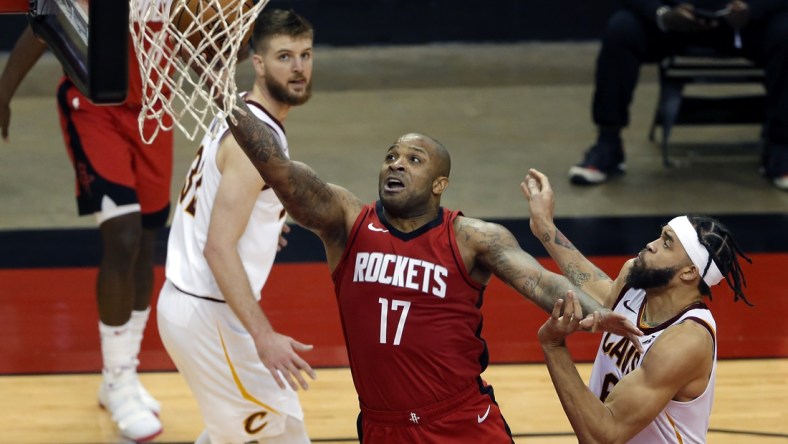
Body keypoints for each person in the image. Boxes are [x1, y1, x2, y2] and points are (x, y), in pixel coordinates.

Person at [213, 88, 645, 439]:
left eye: (413, 160)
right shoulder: (347, 222)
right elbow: (282, 171)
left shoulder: (473, 236)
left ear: (440, 184)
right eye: (391, 157)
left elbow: (539, 281)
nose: (396, 163)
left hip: (461, 422)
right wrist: (225, 95)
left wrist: (595, 313)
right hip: (383, 426)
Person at [0, 9, 172, 443]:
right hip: (94, 107)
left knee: (146, 242)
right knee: (123, 236)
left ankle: (123, 374)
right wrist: (3, 92)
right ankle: (117, 383)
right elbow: (41, 24)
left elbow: (202, 42)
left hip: (155, 111)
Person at [156, 9, 317, 444]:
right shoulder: (255, 142)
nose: (299, 67)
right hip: (209, 315)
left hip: (198, 310)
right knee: (278, 436)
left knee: (271, 431)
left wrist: (263, 221)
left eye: (305, 54)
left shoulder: (244, 114)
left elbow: (216, 197)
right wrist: (264, 337)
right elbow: (218, 249)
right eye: (285, 56)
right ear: (259, 63)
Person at [522, 168, 752, 443]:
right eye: (661, 235)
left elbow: (604, 436)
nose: (651, 245)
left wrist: (554, 346)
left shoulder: (686, 342)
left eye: (667, 244)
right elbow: (601, 293)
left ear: (689, 272)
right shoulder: (636, 280)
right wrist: (544, 227)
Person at [568, 0, 788, 190]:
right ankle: (608, 142)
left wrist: (753, 9)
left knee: (784, 32)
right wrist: (660, 13)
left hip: (745, 23)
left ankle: (781, 147)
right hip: (675, 21)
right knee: (621, 29)